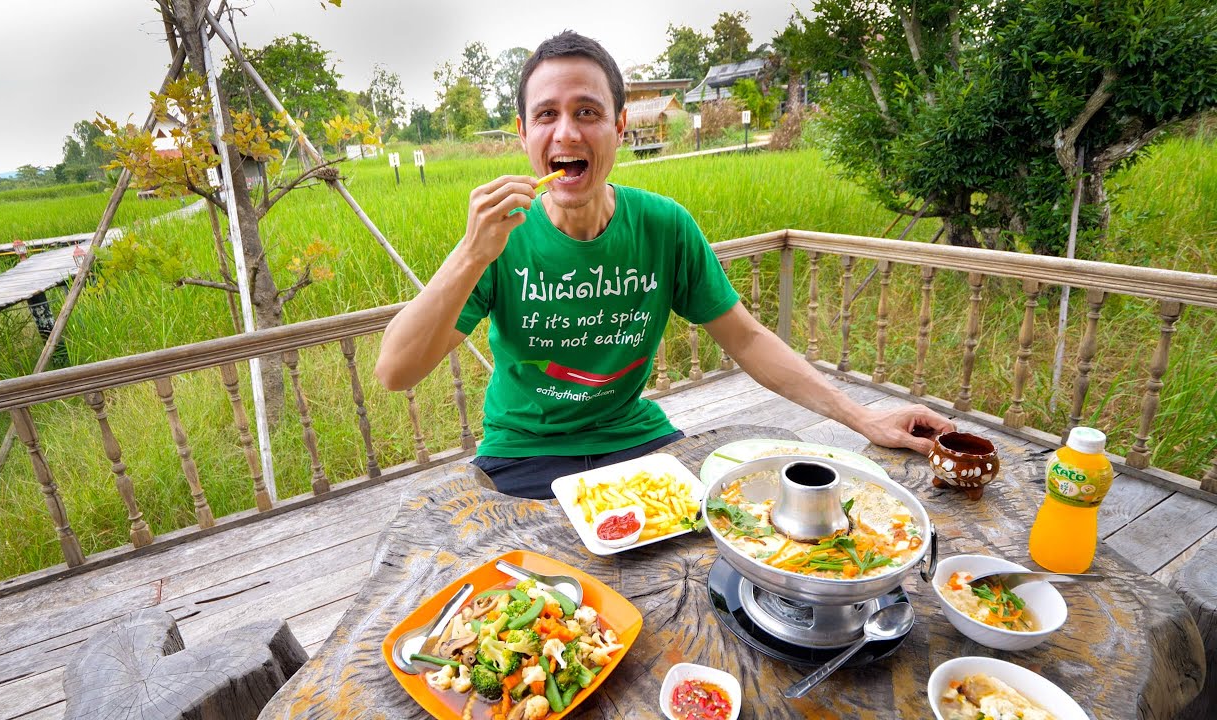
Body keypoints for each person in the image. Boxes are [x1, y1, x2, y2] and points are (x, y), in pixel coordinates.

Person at [375, 31, 954, 499]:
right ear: (524, 134)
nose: (567, 131)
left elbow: (747, 339)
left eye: (587, 112)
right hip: (523, 454)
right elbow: (394, 372)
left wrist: (864, 420)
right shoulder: (500, 242)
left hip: (635, 441)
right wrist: (473, 252)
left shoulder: (663, 226)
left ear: (620, 127)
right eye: (547, 115)